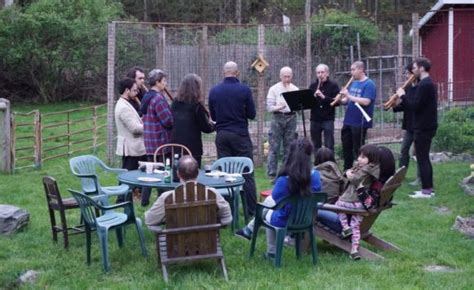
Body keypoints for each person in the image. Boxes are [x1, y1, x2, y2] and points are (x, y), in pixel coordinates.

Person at [234, 138, 322, 256]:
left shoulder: (283, 181)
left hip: (284, 220)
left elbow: (276, 199)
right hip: (306, 219)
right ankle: (248, 230)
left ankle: (271, 251)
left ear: (290, 155)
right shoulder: (316, 176)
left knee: (269, 209)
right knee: (270, 201)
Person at [316, 146, 396, 254]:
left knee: (311, 208)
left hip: (346, 223)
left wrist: (359, 187)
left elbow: (368, 205)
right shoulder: (382, 183)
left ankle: (296, 240)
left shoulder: (373, 185)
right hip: (357, 220)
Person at [209, 61, 257, 218]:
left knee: (224, 173)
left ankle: (226, 211)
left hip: (222, 135)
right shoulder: (244, 90)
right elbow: (252, 114)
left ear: (224, 73)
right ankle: (251, 211)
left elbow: (213, 116)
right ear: (237, 73)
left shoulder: (214, 91)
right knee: (246, 173)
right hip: (240, 135)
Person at [144, 155, 232, 227]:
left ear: (178, 174)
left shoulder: (167, 197)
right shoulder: (212, 193)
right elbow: (227, 219)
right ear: (198, 172)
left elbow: (150, 220)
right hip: (207, 244)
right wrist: (215, 223)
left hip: (177, 245)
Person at [397, 58, 437, 198]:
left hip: (423, 127)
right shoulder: (425, 84)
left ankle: (426, 191)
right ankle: (428, 189)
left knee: (422, 158)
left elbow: (414, 106)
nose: (412, 71)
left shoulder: (425, 85)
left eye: (414, 68)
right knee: (423, 158)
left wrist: (402, 96)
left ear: (421, 68)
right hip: (425, 126)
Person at [335, 144, 380, 260]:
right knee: (356, 226)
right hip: (361, 204)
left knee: (337, 205)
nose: (359, 159)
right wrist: (348, 172)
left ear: (372, 159)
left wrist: (348, 174)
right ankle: (354, 250)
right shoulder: (371, 168)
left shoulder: (367, 169)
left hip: (354, 201)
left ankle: (345, 227)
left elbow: (355, 179)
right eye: (359, 156)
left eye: (363, 157)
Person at [141, 69, 173, 206]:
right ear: (157, 82)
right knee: (163, 174)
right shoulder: (158, 99)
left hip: (149, 142)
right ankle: (162, 200)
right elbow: (168, 120)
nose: (165, 83)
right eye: (164, 81)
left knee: (150, 172)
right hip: (160, 143)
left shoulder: (147, 97)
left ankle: (144, 200)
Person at [170, 74, 215, 167]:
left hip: (176, 145)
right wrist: (216, 125)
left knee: (177, 172)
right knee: (192, 174)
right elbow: (206, 128)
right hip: (193, 148)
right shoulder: (197, 106)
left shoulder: (175, 103)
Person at [340, 61, 377, 171]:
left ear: (361, 70)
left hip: (360, 121)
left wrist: (349, 96)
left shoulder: (369, 84)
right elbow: (348, 100)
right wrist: (341, 99)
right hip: (348, 121)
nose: (351, 72)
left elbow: (366, 101)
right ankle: (347, 171)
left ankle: (360, 172)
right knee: (346, 148)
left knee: (359, 149)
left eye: (353, 70)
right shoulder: (354, 83)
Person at [266, 66, 299, 179]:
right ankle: (272, 173)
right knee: (274, 146)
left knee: (289, 146)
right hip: (277, 117)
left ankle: (286, 172)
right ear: (280, 76)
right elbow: (269, 108)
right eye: (285, 76)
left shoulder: (295, 89)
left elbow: (298, 105)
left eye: (289, 76)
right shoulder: (274, 89)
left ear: (292, 76)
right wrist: (278, 107)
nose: (287, 78)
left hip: (291, 117)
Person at [114, 78, 146, 171]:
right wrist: (149, 126)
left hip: (133, 148)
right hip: (131, 149)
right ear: (127, 90)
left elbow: (133, 122)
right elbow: (134, 128)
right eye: (134, 90)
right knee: (130, 179)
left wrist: (141, 120)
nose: (137, 93)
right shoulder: (123, 107)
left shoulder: (125, 103)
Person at [309, 64, 340, 152]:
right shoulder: (312, 86)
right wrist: (312, 97)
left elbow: (337, 103)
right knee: (315, 144)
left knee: (329, 144)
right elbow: (308, 103)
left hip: (328, 118)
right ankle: (318, 163)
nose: (320, 75)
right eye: (318, 73)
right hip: (315, 119)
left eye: (322, 72)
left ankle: (330, 163)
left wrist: (323, 97)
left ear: (327, 73)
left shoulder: (333, 85)